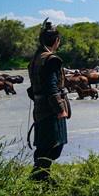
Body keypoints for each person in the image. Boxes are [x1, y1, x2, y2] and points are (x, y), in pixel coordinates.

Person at [27, 18, 70, 182]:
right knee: (53, 146)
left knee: (45, 147)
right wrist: (60, 109)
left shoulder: (36, 58)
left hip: (40, 108)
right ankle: (38, 179)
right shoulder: (51, 59)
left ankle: (42, 180)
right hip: (51, 109)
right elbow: (52, 88)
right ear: (56, 40)